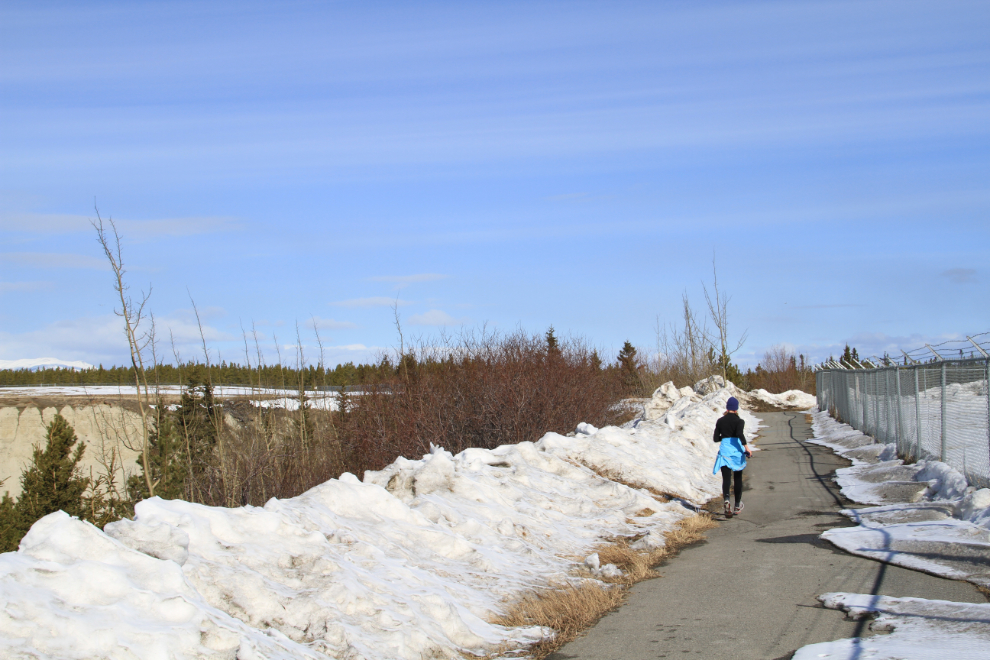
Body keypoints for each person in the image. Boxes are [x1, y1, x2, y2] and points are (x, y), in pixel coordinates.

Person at [712, 396, 752, 518]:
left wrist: (724, 437)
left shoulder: (720, 421)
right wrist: (746, 448)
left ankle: (727, 500)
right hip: (736, 453)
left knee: (726, 478)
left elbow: (715, 438)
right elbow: (739, 434)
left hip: (725, 451)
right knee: (738, 478)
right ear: (736, 409)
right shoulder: (739, 421)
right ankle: (737, 505)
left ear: (727, 408)